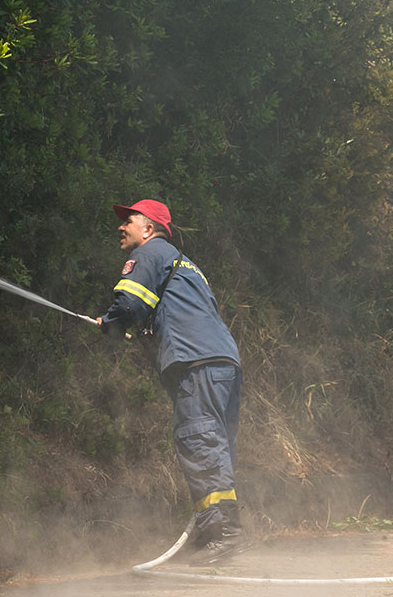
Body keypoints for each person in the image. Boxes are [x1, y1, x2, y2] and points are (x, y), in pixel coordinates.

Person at [96, 199, 248, 565]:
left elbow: (130, 304)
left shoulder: (151, 252)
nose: (121, 227)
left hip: (196, 363)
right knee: (213, 444)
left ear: (148, 229)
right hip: (222, 363)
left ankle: (225, 534)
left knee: (199, 441)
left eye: (129, 221)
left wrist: (110, 322)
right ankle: (213, 534)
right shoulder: (186, 264)